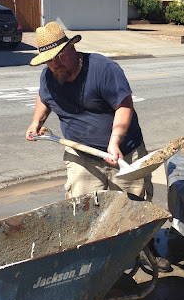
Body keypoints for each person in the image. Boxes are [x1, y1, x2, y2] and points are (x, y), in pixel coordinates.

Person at [26, 21, 171, 271]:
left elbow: (124, 105)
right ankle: (95, 259)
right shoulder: (50, 75)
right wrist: (36, 122)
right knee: (83, 210)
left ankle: (145, 248)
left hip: (123, 153)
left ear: (72, 48)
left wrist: (114, 140)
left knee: (133, 207)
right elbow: (43, 95)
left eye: (59, 57)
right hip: (80, 154)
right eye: (49, 60)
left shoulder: (103, 69)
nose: (55, 64)